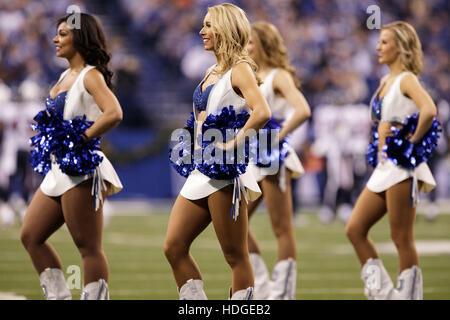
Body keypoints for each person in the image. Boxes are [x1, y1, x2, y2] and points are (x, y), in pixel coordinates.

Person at [164, 3, 271, 300]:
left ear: (225, 28)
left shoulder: (240, 69)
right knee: (173, 246)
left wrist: (232, 144)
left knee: (236, 256)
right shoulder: (212, 69)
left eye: (209, 25)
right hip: (201, 170)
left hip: (224, 174)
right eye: (203, 25)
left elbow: (261, 111)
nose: (202, 31)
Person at [20, 13, 123, 300]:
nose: (56, 38)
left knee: (88, 247)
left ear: (80, 37)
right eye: (57, 33)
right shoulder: (66, 75)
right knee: (31, 235)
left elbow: (114, 112)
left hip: (81, 169)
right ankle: (59, 296)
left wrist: (82, 137)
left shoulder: (91, 74)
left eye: (63, 33)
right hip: (59, 169)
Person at [345, 21, 438, 300]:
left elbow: (429, 110)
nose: (378, 47)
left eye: (385, 42)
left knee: (401, 239)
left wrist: (411, 140)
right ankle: (384, 293)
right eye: (379, 41)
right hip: (384, 168)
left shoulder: (407, 79)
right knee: (355, 229)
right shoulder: (386, 81)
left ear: (401, 46)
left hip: (402, 168)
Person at [245, 21, 311, 299]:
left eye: (250, 43)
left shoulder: (278, 75)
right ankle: (261, 285)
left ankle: (284, 292)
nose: (246, 47)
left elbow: (303, 110)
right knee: (234, 222)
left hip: (272, 155)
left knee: (281, 228)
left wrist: (278, 134)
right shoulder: (249, 75)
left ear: (264, 46)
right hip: (250, 156)